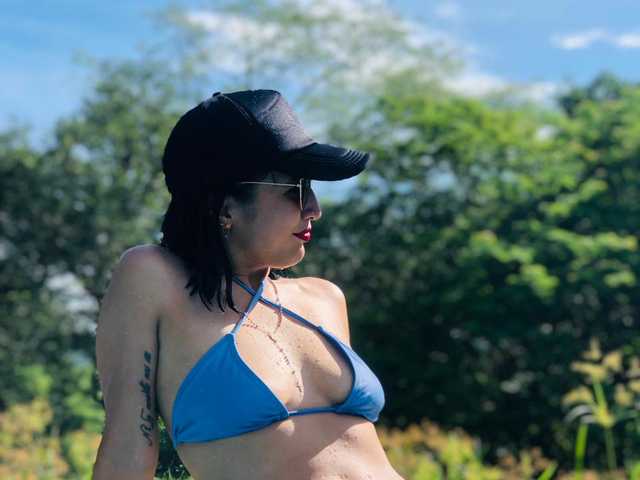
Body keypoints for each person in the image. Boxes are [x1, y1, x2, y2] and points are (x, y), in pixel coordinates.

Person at [92, 89, 404, 479]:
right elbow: (127, 449)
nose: (315, 208)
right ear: (226, 208)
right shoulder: (153, 277)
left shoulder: (325, 298)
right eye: (295, 189)